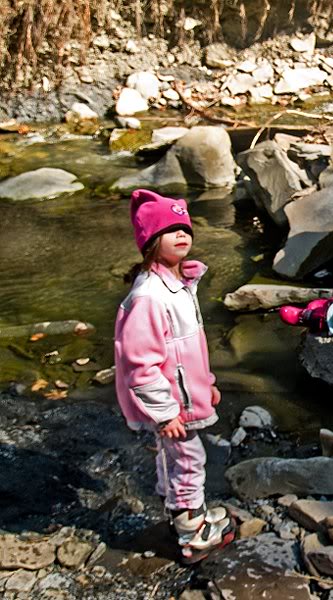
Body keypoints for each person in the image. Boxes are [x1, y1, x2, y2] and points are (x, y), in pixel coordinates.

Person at [114, 189, 235, 564]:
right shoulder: (150, 295)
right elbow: (140, 362)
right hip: (171, 404)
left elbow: (189, 351)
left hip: (183, 396)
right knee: (187, 459)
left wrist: (208, 385)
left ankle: (184, 513)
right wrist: (164, 413)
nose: (182, 235)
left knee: (178, 458)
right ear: (151, 242)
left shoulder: (181, 285)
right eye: (171, 230)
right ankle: (192, 533)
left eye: (185, 228)